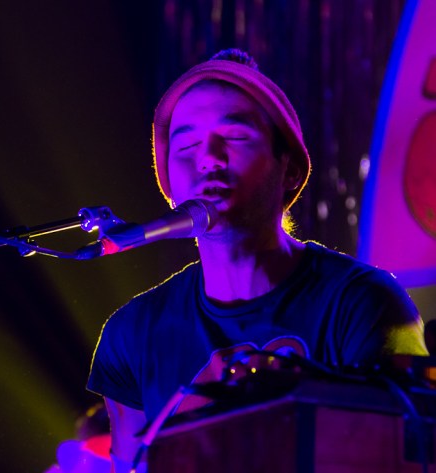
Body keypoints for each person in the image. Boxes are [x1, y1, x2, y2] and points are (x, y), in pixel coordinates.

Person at [86, 49, 428, 473]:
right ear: (169, 182)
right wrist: (182, 425)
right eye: (187, 144)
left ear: (290, 170)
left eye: (235, 137)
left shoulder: (364, 303)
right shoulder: (132, 333)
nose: (208, 158)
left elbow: (405, 457)